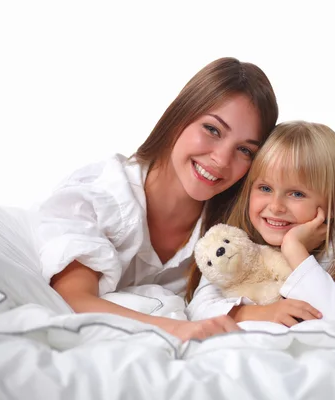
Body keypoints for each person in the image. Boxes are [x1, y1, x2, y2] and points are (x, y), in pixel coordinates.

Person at [36, 57, 279, 341]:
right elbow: (73, 299)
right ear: (180, 117)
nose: (222, 160)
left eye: (245, 150)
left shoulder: (232, 230)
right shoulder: (103, 195)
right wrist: (178, 329)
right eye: (212, 130)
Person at [186, 121, 335, 326]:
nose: (276, 207)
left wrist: (295, 250)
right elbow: (198, 309)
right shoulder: (236, 242)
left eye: (297, 194)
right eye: (265, 188)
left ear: (331, 205)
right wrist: (261, 313)